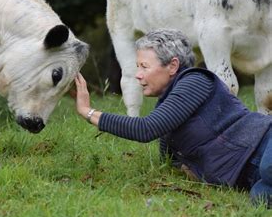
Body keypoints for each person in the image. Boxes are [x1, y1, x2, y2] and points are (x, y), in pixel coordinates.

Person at [72, 29, 272, 207]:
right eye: (137, 67)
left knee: (268, 169)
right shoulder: (169, 113)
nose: (138, 75)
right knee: (260, 197)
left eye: (144, 66)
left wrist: (88, 112)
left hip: (265, 145)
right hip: (252, 176)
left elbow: (145, 129)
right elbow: (171, 161)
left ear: (173, 66)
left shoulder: (195, 80)